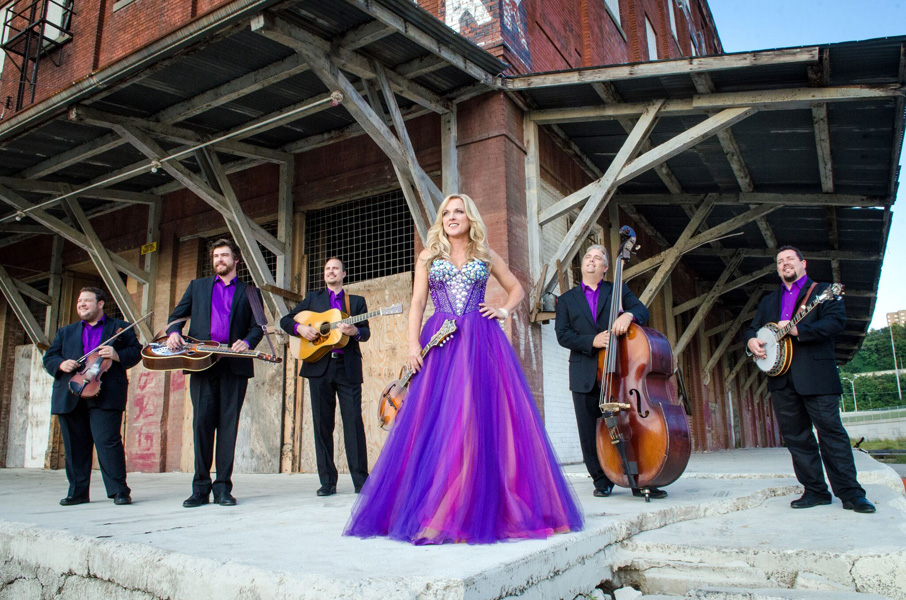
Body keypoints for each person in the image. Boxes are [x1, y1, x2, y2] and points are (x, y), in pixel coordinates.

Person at [344, 194, 583, 545]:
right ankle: (438, 505)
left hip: (480, 340)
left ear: (470, 218)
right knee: (440, 419)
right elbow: (417, 302)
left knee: (477, 417)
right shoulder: (429, 256)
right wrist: (412, 346)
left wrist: (503, 311)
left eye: (459, 211)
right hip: (440, 341)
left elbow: (516, 288)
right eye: (446, 213)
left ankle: (471, 504)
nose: (452, 217)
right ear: (441, 220)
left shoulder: (484, 254)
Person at [744, 245, 875, 513]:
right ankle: (815, 491)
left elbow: (836, 322)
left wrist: (797, 330)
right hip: (781, 378)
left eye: (790, 259)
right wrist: (751, 342)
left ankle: (851, 493)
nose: (785, 263)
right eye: (780, 261)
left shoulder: (823, 291)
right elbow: (752, 328)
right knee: (796, 438)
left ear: (803, 264)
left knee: (831, 434)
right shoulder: (769, 301)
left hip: (816, 375)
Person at [554, 245, 668, 500]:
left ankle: (637, 478)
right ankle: (601, 480)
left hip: (619, 373)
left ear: (605, 268)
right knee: (589, 430)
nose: (591, 260)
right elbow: (562, 335)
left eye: (597, 258)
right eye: (588, 257)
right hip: (584, 373)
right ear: (583, 264)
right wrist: (591, 341)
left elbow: (643, 311)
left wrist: (629, 315)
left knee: (627, 425)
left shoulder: (617, 290)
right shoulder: (567, 299)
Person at [166, 238, 263, 508]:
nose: (219, 260)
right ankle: (200, 489)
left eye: (224, 255)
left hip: (234, 366)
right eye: (216, 256)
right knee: (202, 425)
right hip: (202, 364)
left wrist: (248, 342)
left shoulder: (251, 292)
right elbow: (176, 317)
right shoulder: (197, 287)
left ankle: (223, 489)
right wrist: (173, 332)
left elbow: (259, 327)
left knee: (228, 427)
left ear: (236, 260)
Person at [43, 287, 142, 506]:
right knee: (75, 446)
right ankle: (77, 493)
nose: (81, 304)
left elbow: (136, 352)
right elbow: (49, 357)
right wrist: (61, 364)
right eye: (80, 301)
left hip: (105, 392)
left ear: (100, 304)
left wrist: (117, 355)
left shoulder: (120, 328)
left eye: (87, 301)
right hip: (72, 392)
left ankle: (119, 491)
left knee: (108, 443)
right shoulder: (65, 332)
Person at [280, 257, 370, 496]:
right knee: (322, 426)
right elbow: (285, 321)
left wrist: (355, 331)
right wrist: (301, 328)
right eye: (327, 269)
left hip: (347, 368)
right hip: (319, 367)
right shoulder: (313, 299)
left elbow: (366, 333)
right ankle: (328, 482)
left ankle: (361, 481)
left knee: (353, 424)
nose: (331, 272)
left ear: (344, 273)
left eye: (335, 268)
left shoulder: (356, 302)